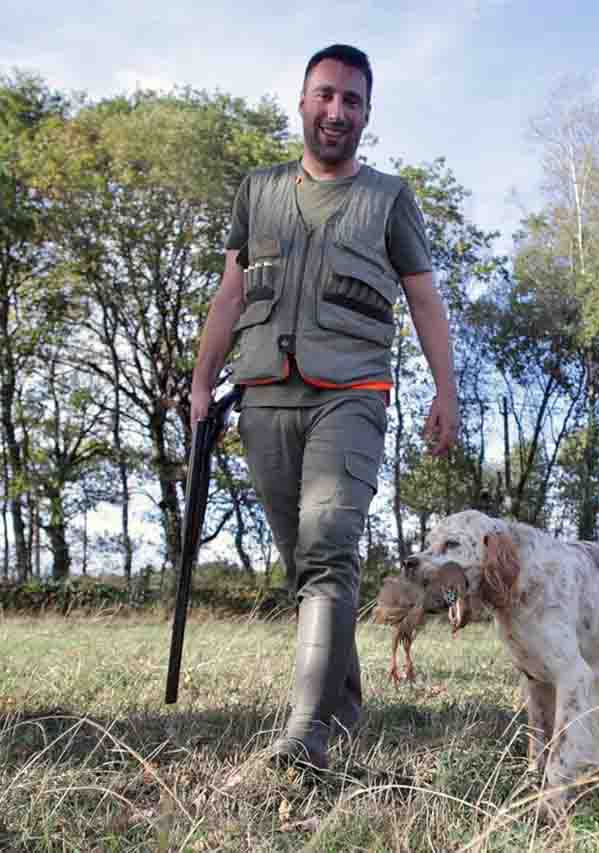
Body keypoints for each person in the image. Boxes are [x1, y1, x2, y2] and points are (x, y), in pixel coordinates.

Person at [190, 44, 459, 770]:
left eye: (354, 101)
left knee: (329, 544)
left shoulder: (390, 198)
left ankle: (305, 732)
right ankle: (342, 703)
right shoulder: (258, 190)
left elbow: (425, 298)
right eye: (327, 95)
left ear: (368, 114)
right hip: (265, 393)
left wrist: (447, 388)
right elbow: (230, 293)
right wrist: (199, 381)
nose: (338, 111)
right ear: (303, 100)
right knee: (304, 563)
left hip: (353, 392)